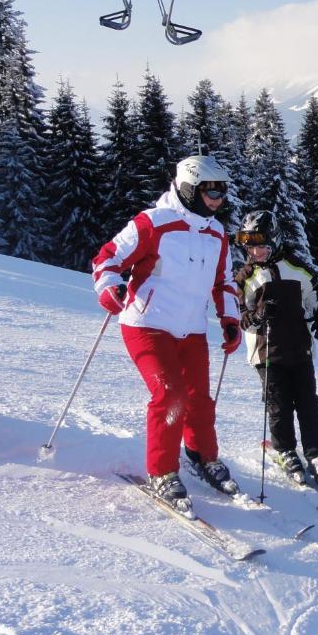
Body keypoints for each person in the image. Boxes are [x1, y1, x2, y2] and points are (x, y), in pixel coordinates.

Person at [91, 154, 243, 512]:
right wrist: (110, 287)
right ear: (190, 189)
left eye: (222, 193)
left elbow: (223, 282)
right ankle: (162, 471)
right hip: (147, 324)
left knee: (199, 399)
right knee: (171, 395)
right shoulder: (152, 223)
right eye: (210, 192)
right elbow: (107, 258)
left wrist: (230, 319)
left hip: (190, 328)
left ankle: (203, 455)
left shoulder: (216, 233)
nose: (218, 200)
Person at [233, 210, 318, 487]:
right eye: (250, 245)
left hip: (300, 348)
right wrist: (258, 316)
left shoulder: (295, 267)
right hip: (267, 353)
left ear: (275, 241)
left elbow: (316, 294)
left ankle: (315, 454)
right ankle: (285, 450)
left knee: (309, 403)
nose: (256, 251)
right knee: (278, 404)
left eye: (262, 244)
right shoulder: (246, 278)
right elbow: (243, 319)